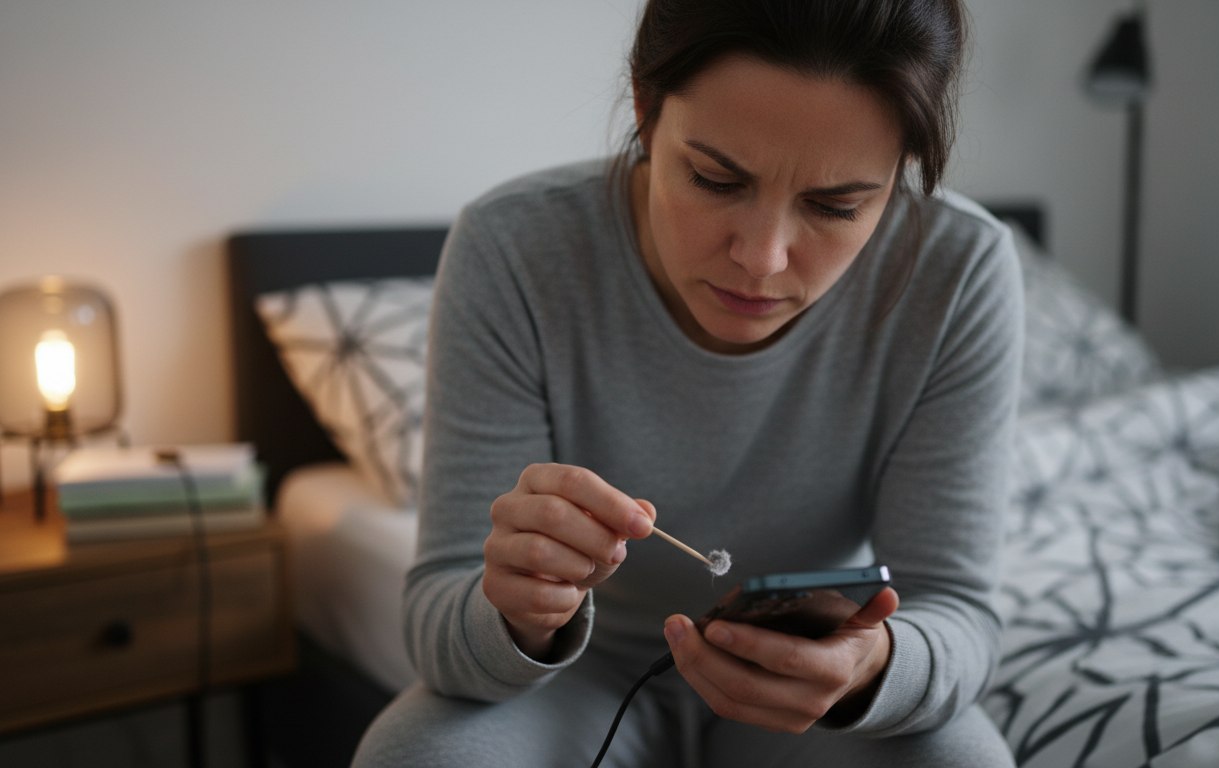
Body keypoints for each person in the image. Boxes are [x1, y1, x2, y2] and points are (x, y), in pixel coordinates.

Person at [352, 0, 1021, 765]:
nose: (763, 258)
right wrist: (516, 614)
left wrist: (869, 669)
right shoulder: (513, 250)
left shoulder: (959, 271)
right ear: (644, 108)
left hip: (803, 686)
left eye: (836, 205)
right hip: (573, 680)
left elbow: (957, 612)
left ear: (902, 167)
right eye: (714, 179)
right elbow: (443, 609)